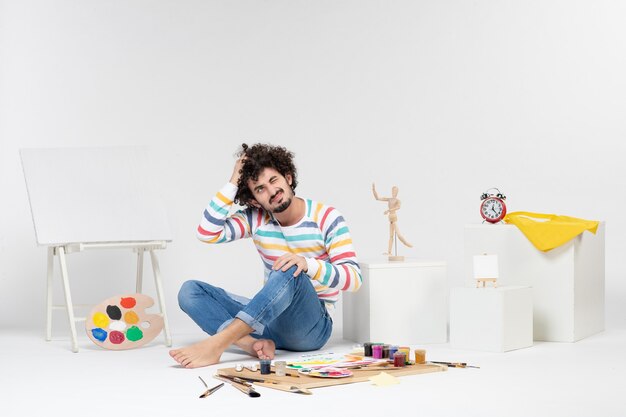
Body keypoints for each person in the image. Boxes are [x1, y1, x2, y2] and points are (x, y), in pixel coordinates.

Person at [169, 143, 362, 368]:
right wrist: (233, 182)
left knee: (290, 267)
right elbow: (207, 232)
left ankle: (218, 344)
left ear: (288, 178)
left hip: (310, 328)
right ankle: (251, 345)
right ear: (253, 200)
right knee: (190, 291)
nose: (272, 192)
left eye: (274, 181)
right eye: (260, 189)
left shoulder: (326, 217)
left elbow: (354, 279)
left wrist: (307, 264)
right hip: (267, 322)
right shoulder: (256, 218)